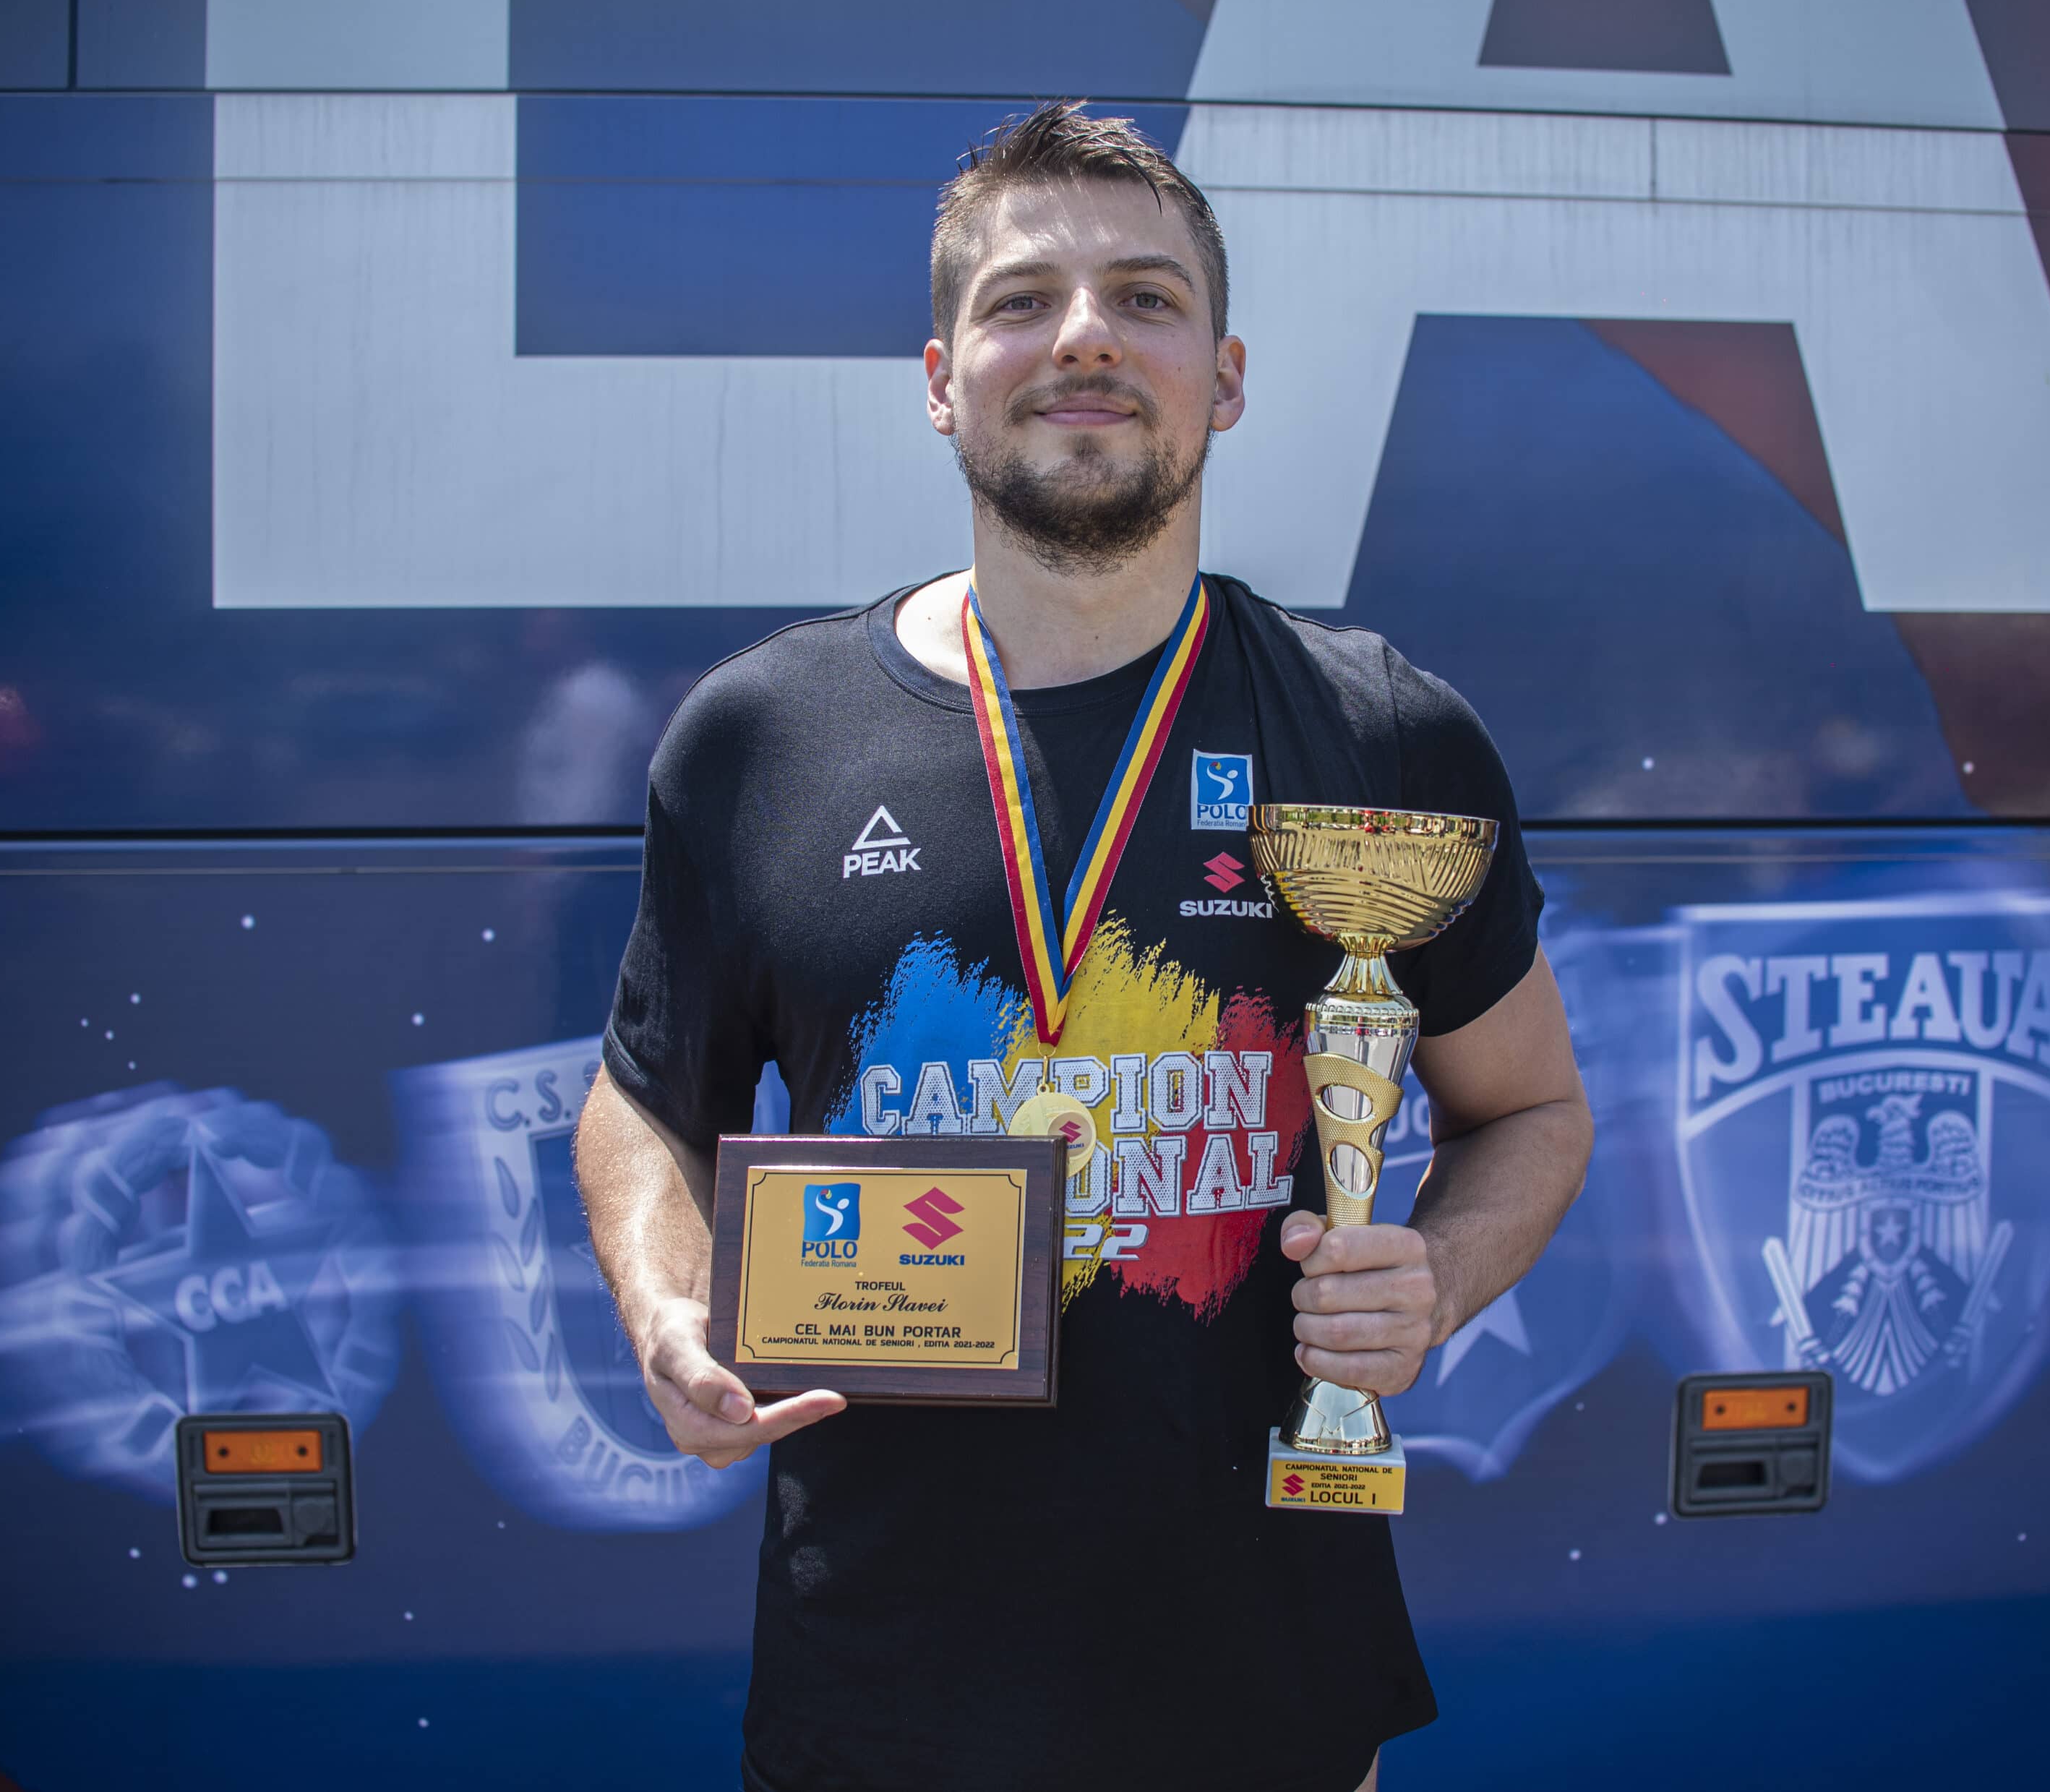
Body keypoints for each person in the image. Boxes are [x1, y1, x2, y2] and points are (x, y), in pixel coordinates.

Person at [575, 100, 1593, 1792]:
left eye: (1145, 297)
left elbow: (1534, 1109)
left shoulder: (1384, 737)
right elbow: (644, 1099)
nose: (1085, 337)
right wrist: (668, 1307)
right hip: (879, 1695)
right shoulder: (761, 739)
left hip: (1265, 1697)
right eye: (1023, 300)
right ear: (939, 376)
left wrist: (1434, 1276)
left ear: (1227, 375)